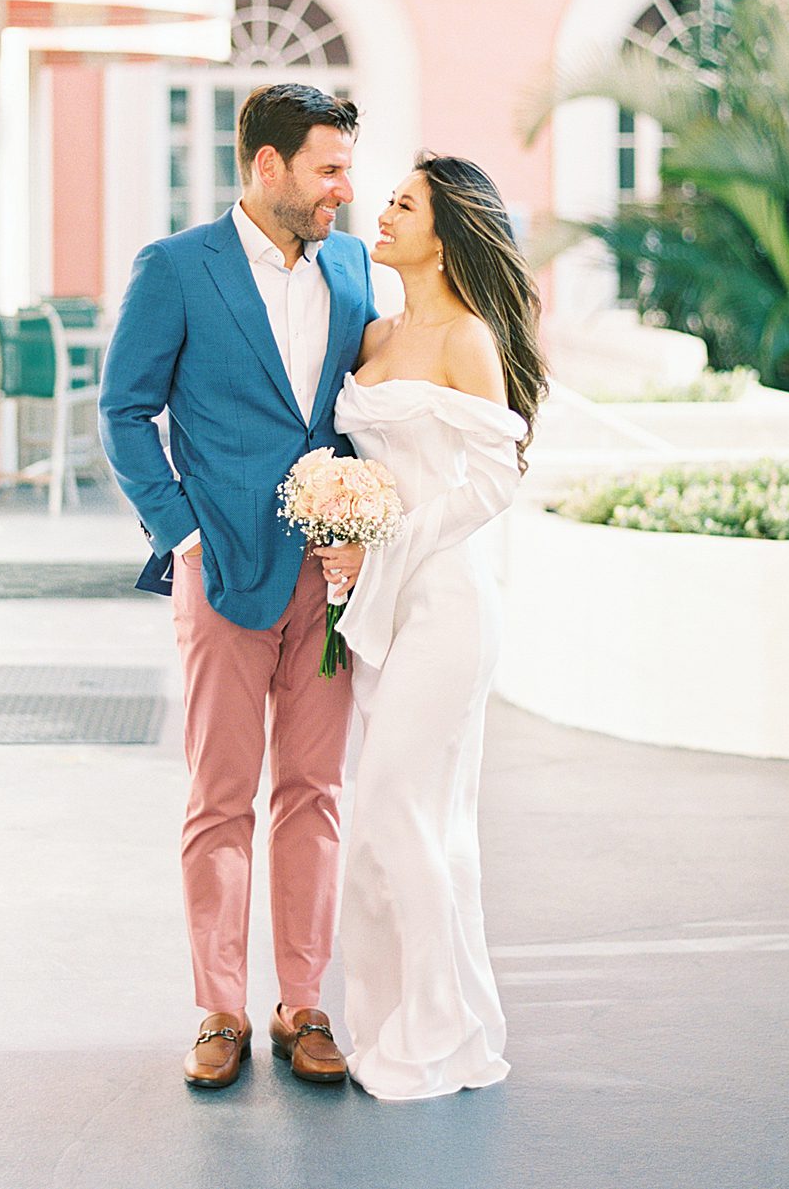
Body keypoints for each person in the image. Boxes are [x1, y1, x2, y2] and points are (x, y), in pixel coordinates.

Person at [98, 83, 378, 1090]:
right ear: (268, 167)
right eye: (328, 168)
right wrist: (182, 536)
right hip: (220, 574)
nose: (344, 188)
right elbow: (124, 410)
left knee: (317, 790)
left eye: (346, 166)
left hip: (328, 577)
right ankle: (218, 1008)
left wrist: (363, 523)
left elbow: (362, 409)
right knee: (220, 796)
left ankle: (302, 999)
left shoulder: (351, 266)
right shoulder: (176, 269)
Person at [315, 152, 549, 1102]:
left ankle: (438, 1030)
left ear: (445, 235)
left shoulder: (469, 340)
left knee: (394, 807)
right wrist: (345, 534)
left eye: (405, 203)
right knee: (423, 820)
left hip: (446, 598)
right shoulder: (373, 332)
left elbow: (495, 477)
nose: (386, 210)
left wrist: (392, 544)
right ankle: (399, 1018)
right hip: (376, 607)